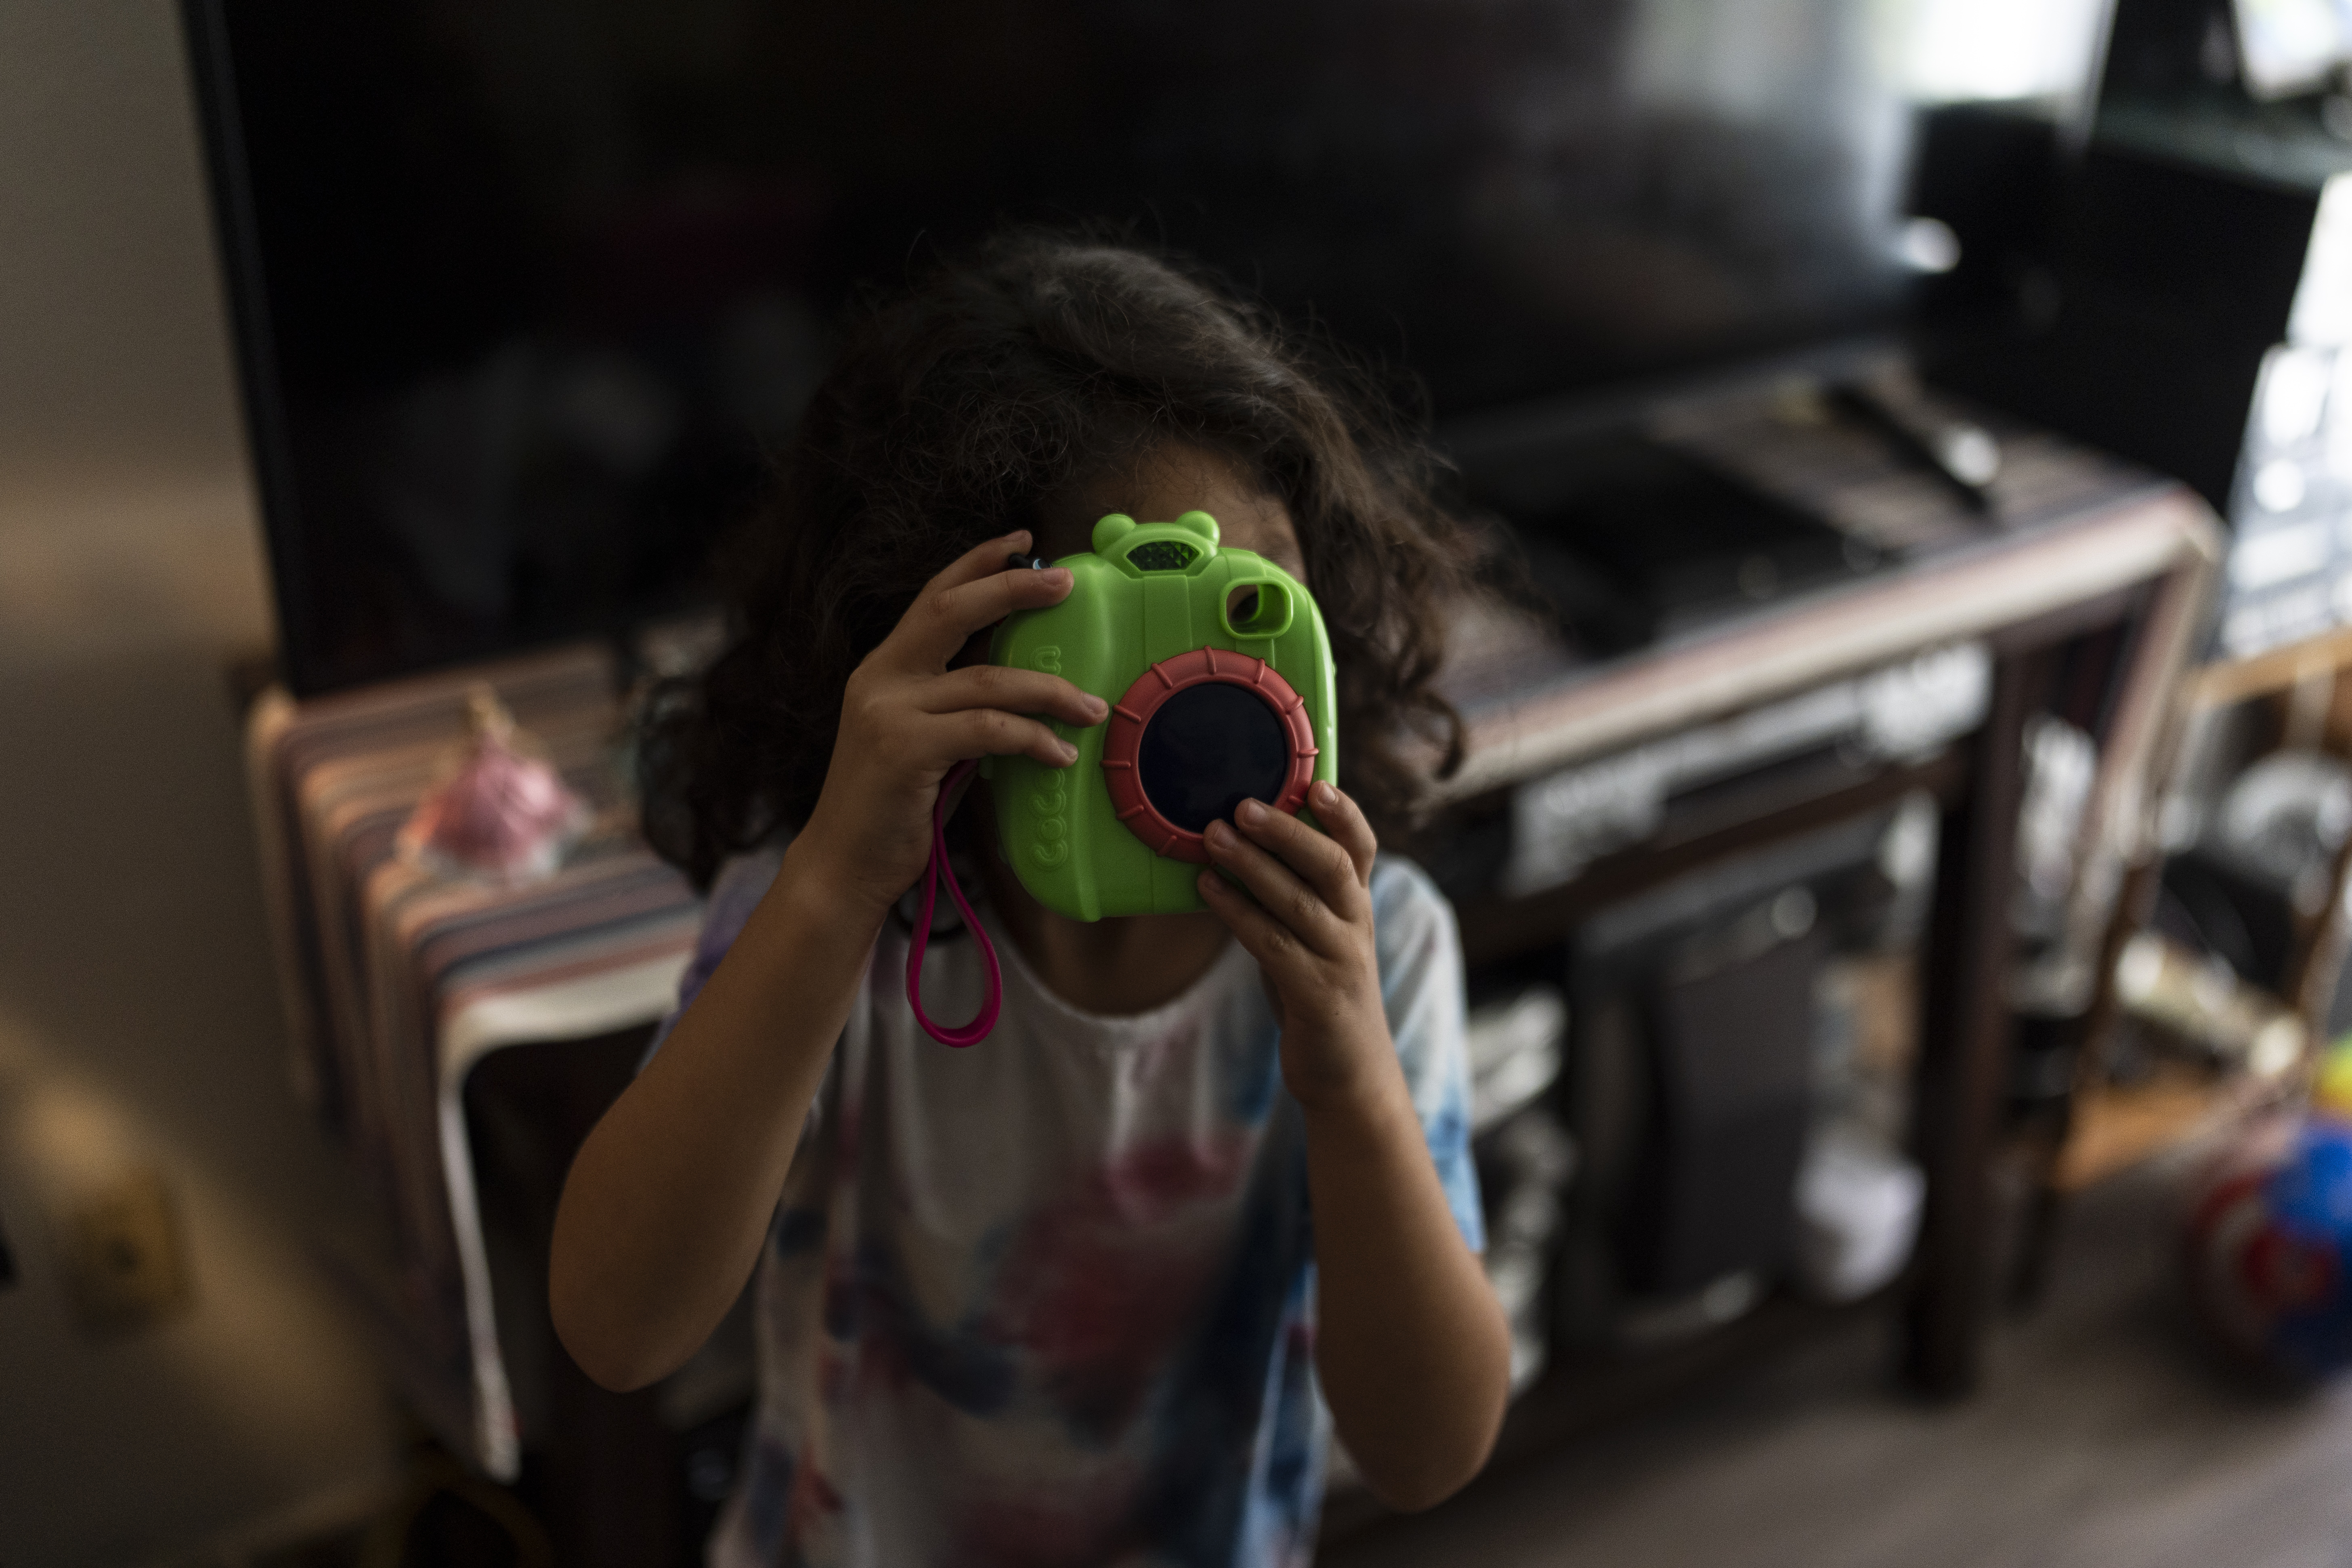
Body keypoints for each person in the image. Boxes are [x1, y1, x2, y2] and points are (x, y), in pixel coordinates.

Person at [550, 233, 1512, 1568]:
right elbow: (616, 1323)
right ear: (936, 644)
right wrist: (831, 881)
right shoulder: (834, 917)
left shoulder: (1373, 940)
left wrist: (1349, 1070)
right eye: (1142, 626)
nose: (1223, 692)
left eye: (1253, 603)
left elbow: (1428, 1449)